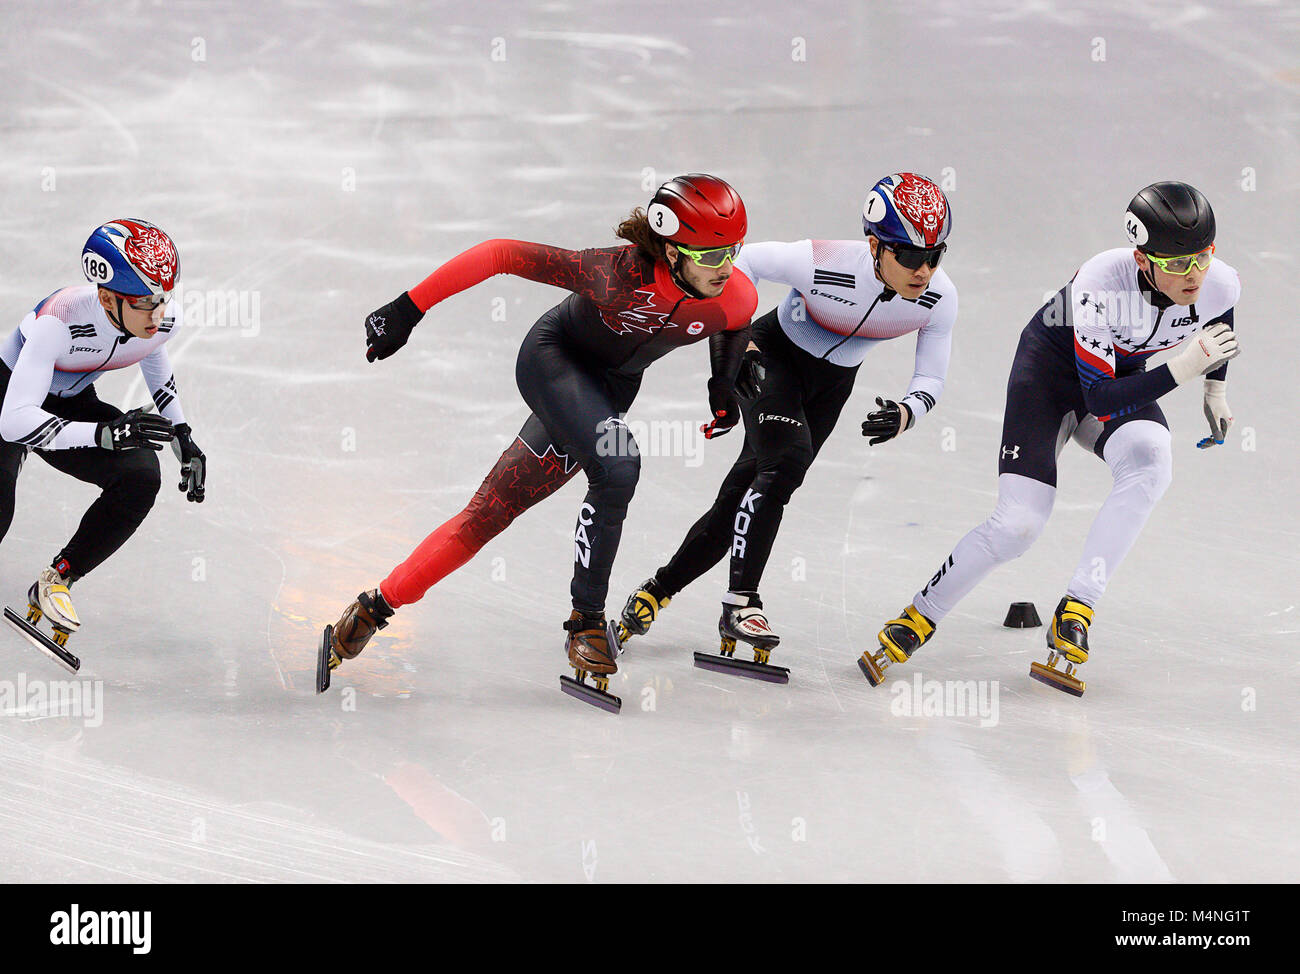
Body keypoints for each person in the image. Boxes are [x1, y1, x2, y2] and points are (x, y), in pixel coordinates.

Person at [320, 175, 756, 706]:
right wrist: (409, 307)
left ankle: (372, 607)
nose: (726, 267)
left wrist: (723, 381)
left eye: (733, 251)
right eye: (711, 256)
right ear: (671, 250)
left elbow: (735, 322)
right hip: (553, 362)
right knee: (619, 466)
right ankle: (586, 623)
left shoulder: (734, 294)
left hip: (606, 393)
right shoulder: (613, 275)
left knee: (490, 513)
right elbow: (502, 253)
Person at [859, 181, 1239, 696]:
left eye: (1200, 259)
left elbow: (1221, 318)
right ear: (1142, 259)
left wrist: (1214, 389)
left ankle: (1078, 605)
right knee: (1018, 524)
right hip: (1051, 378)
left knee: (1152, 462)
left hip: (1118, 377)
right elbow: (1101, 400)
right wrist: (1185, 368)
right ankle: (918, 617)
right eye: (1174, 264)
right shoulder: (1102, 282)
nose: (1191, 276)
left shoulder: (1219, 282)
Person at [616, 173, 957, 677]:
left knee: (741, 498)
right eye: (909, 256)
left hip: (829, 389)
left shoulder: (939, 298)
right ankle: (741, 602)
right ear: (874, 246)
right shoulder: (825, 260)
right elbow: (744, 262)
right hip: (769, 357)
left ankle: (655, 591)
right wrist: (742, 345)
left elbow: (930, 375)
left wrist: (908, 411)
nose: (923, 270)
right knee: (786, 461)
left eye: (935, 255)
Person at [1, 219, 205, 657]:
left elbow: (152, 355)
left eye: (164, 300)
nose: (158, 315)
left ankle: (58, 578)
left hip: (71, 400)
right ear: (108, 297)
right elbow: (14, 423)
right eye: (146, 303)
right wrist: (101, 433)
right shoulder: (58, 321)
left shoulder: (158, 322)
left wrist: (182, 434)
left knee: (140, 476)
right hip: (8, 394)